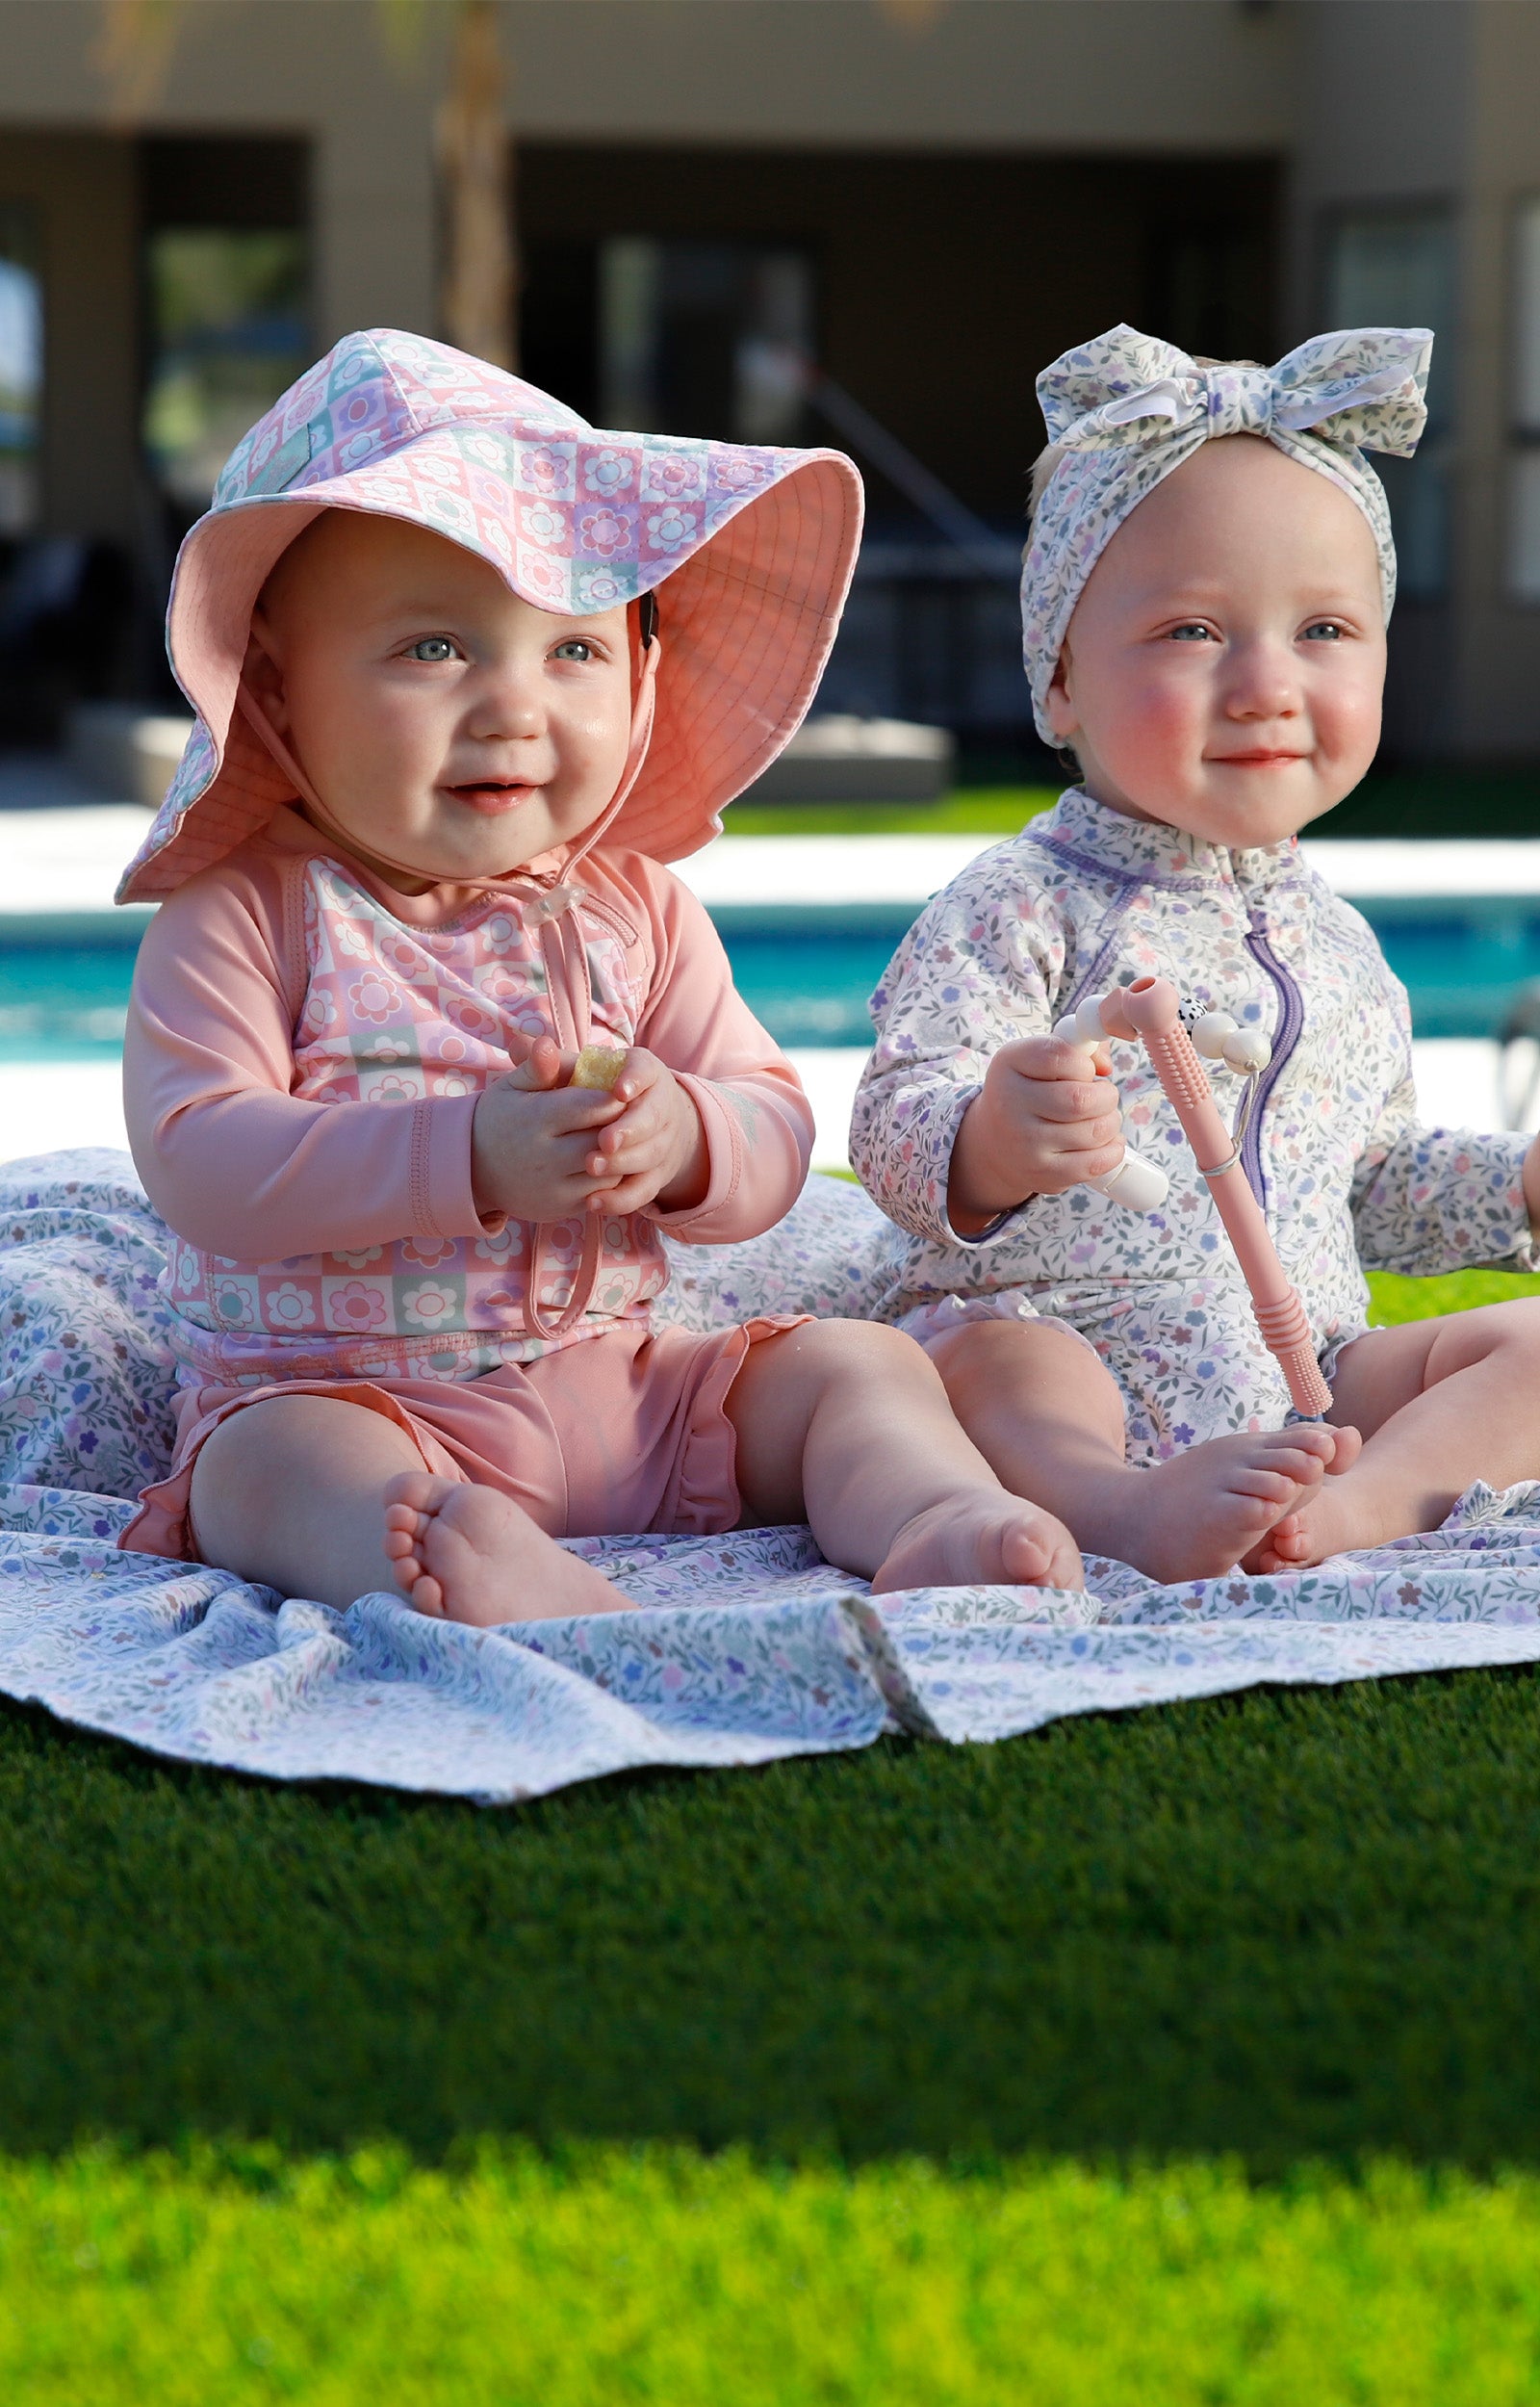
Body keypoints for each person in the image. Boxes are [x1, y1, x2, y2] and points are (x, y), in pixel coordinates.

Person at [116, 329, 1081, 1624]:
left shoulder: (637, 909)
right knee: (267, 1471)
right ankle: (440, 1547)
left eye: (572, 651)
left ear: (642, 678)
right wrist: (469, 1155)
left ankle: (931, 1513)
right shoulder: (255, 914)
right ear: (281, 695)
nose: (514, 705)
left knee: (852, 1369)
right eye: (434, 650)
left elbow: (773, 1126)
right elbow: (202, 1160)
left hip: (623, 1387)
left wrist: (688, 1138)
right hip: (355, 1392)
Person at [852, 323, 1540, 1582]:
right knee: (984, 1364)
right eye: (1192, 632)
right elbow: (893, 1127)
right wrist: (992, 1139)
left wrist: (1517, 1189)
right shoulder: (1022, 905)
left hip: (1308, 1371)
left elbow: (1365, 1180)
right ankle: (1115, 1507)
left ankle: (1358, 1503)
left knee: (1535, 1351)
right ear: (1058, 683)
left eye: (1325, 630)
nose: (1269, 684)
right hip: (1070, 1342)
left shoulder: (1337, 945)